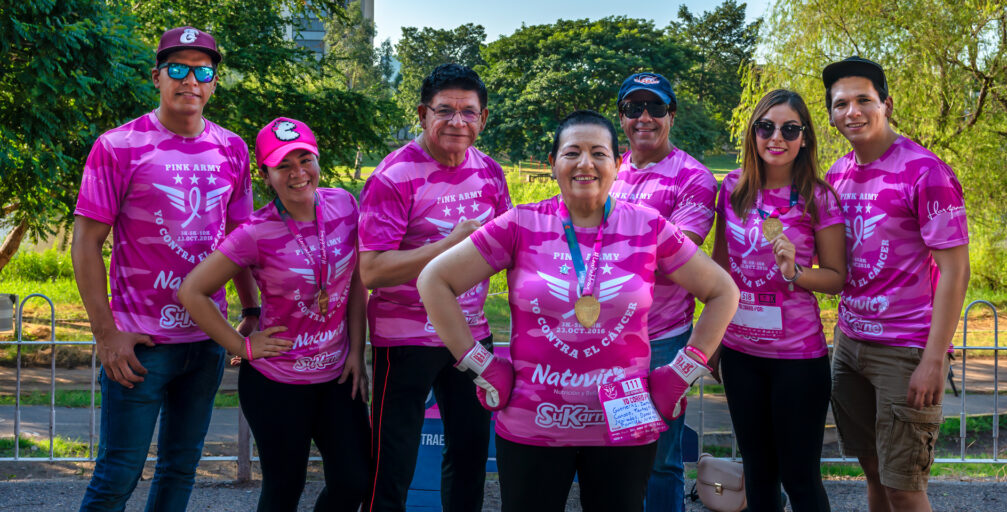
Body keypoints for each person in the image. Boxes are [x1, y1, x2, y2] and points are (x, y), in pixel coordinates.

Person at [418, 110, 739, 511]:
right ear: (552, 163)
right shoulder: (520, 224)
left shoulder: (649, 227)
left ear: (617, 164)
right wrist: (480, 364)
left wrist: (683, 372)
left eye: (598, 153)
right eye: (572, 153)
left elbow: (723, 292)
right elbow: (434, 280)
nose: (585, 163)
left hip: (624, 427)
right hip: (534, 422)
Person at [71, 26, 259, 511]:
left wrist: (251, 309)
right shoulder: (119, 145)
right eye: (178, 69)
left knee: (180, 470)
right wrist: (106, 334)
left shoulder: (232, 149)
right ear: (157, 77)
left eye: (203, 71)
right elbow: (86, 243)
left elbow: (241, 239)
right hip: (139, 344)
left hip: (205, 340)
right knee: (117, 476)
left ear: (214, 82)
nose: (190, 80)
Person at [178, 118, 370, 511]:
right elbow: (192, 292)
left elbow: (356, 282)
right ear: (265, 175)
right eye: (284, 165)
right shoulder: (255, 231)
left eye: (305, 159)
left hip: (337, 375)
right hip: (276, 383)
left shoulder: (345, 205)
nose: (298, 173)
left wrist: (356, 351)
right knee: (284, 490)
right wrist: (242, 347)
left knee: (356, 480)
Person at [358, 63, 512, 512]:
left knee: (469, 456)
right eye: (445, 110)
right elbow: (372, 271)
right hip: (405, 337)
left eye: (469, 112)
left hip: (471, 334)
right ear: (423, 114)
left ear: (483, 118)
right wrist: (448, 246)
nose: (457, 122)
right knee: (392, 462)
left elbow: (508, 248)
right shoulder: (393, 176)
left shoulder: (490, 172)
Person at [823, 56, 970, 512]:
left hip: (906, 351)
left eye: (863, 100)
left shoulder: (926, 172)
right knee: (872, 471)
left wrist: (934, 359)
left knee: (904, 487)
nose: (852, 111)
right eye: (841, 103)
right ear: (831, 114)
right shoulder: (836, 174)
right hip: (850, 345)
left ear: (886, 104)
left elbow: (956, 271)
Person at [710, 89, 845, 511]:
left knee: (800, 479)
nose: (776, 138)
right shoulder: (732, 188)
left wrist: (795, 272)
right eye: (766, 127)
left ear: (804, 138)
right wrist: (712, 342)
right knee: (758, 474)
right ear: (752, 133)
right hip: (740, 356)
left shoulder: (818, 196)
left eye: (789, 129)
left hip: (797, 361)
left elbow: (837, 278)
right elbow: (719, 273)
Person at [609, 72, 718, 510]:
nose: (644, 117)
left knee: (659, 457)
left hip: (660, 339)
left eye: (655, 107)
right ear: (621, 117)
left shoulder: (693, 177)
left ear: (672, 115)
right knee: (610, 453)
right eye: (633, 108)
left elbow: (678, 256)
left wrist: (604, 250)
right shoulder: (606, 166)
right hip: (603, 335)